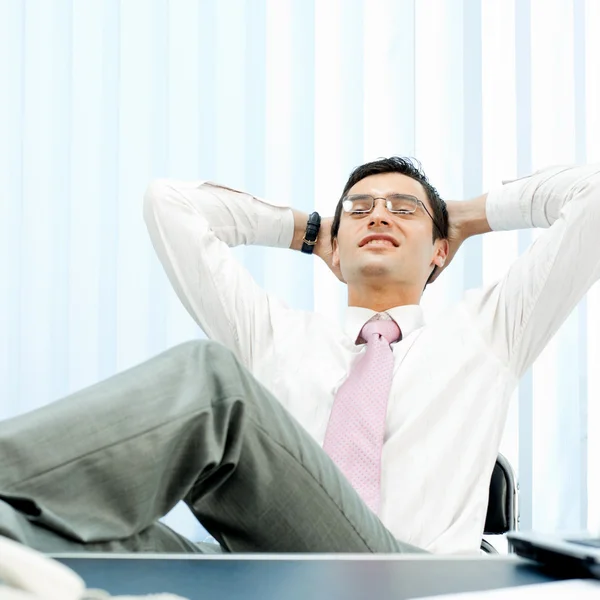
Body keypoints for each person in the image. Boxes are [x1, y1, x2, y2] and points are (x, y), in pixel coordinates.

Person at [1, 158, 598, 556]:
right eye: (359, 210)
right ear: (335, 247)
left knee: (212, 380)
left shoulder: (490, 331)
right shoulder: (273, 335)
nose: (380, 215)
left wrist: (467, 215)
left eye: (403, 209)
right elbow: (169, 204)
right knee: (59, 530)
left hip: (404, 579)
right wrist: (310, 230)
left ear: (441, 250)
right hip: (259, 573)